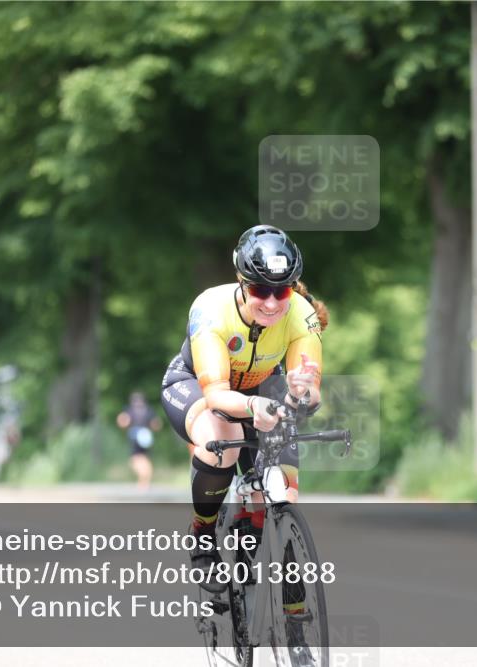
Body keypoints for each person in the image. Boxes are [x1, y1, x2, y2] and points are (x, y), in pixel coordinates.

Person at [160, 225, 326, 665]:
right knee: (225, 437)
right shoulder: (211, 310)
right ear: (241, 281)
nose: (271, 302)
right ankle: (202, 534)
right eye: (259, 290)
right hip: (197, 387)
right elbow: (217, 396)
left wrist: (301, 393)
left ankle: (295, 628)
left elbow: (310, 390)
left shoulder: (301, 314)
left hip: (262, 389)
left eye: (281, 292)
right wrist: (254, 408)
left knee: (283, 491)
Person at [116, 391, 162, 490]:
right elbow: (156, 424)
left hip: (135, 437)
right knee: (145, 458)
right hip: (147, 437)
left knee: (135, 459)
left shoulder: (130, 410)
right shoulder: (149, 410)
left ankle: (143, 477)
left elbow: (123, 421)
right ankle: (145, 480)